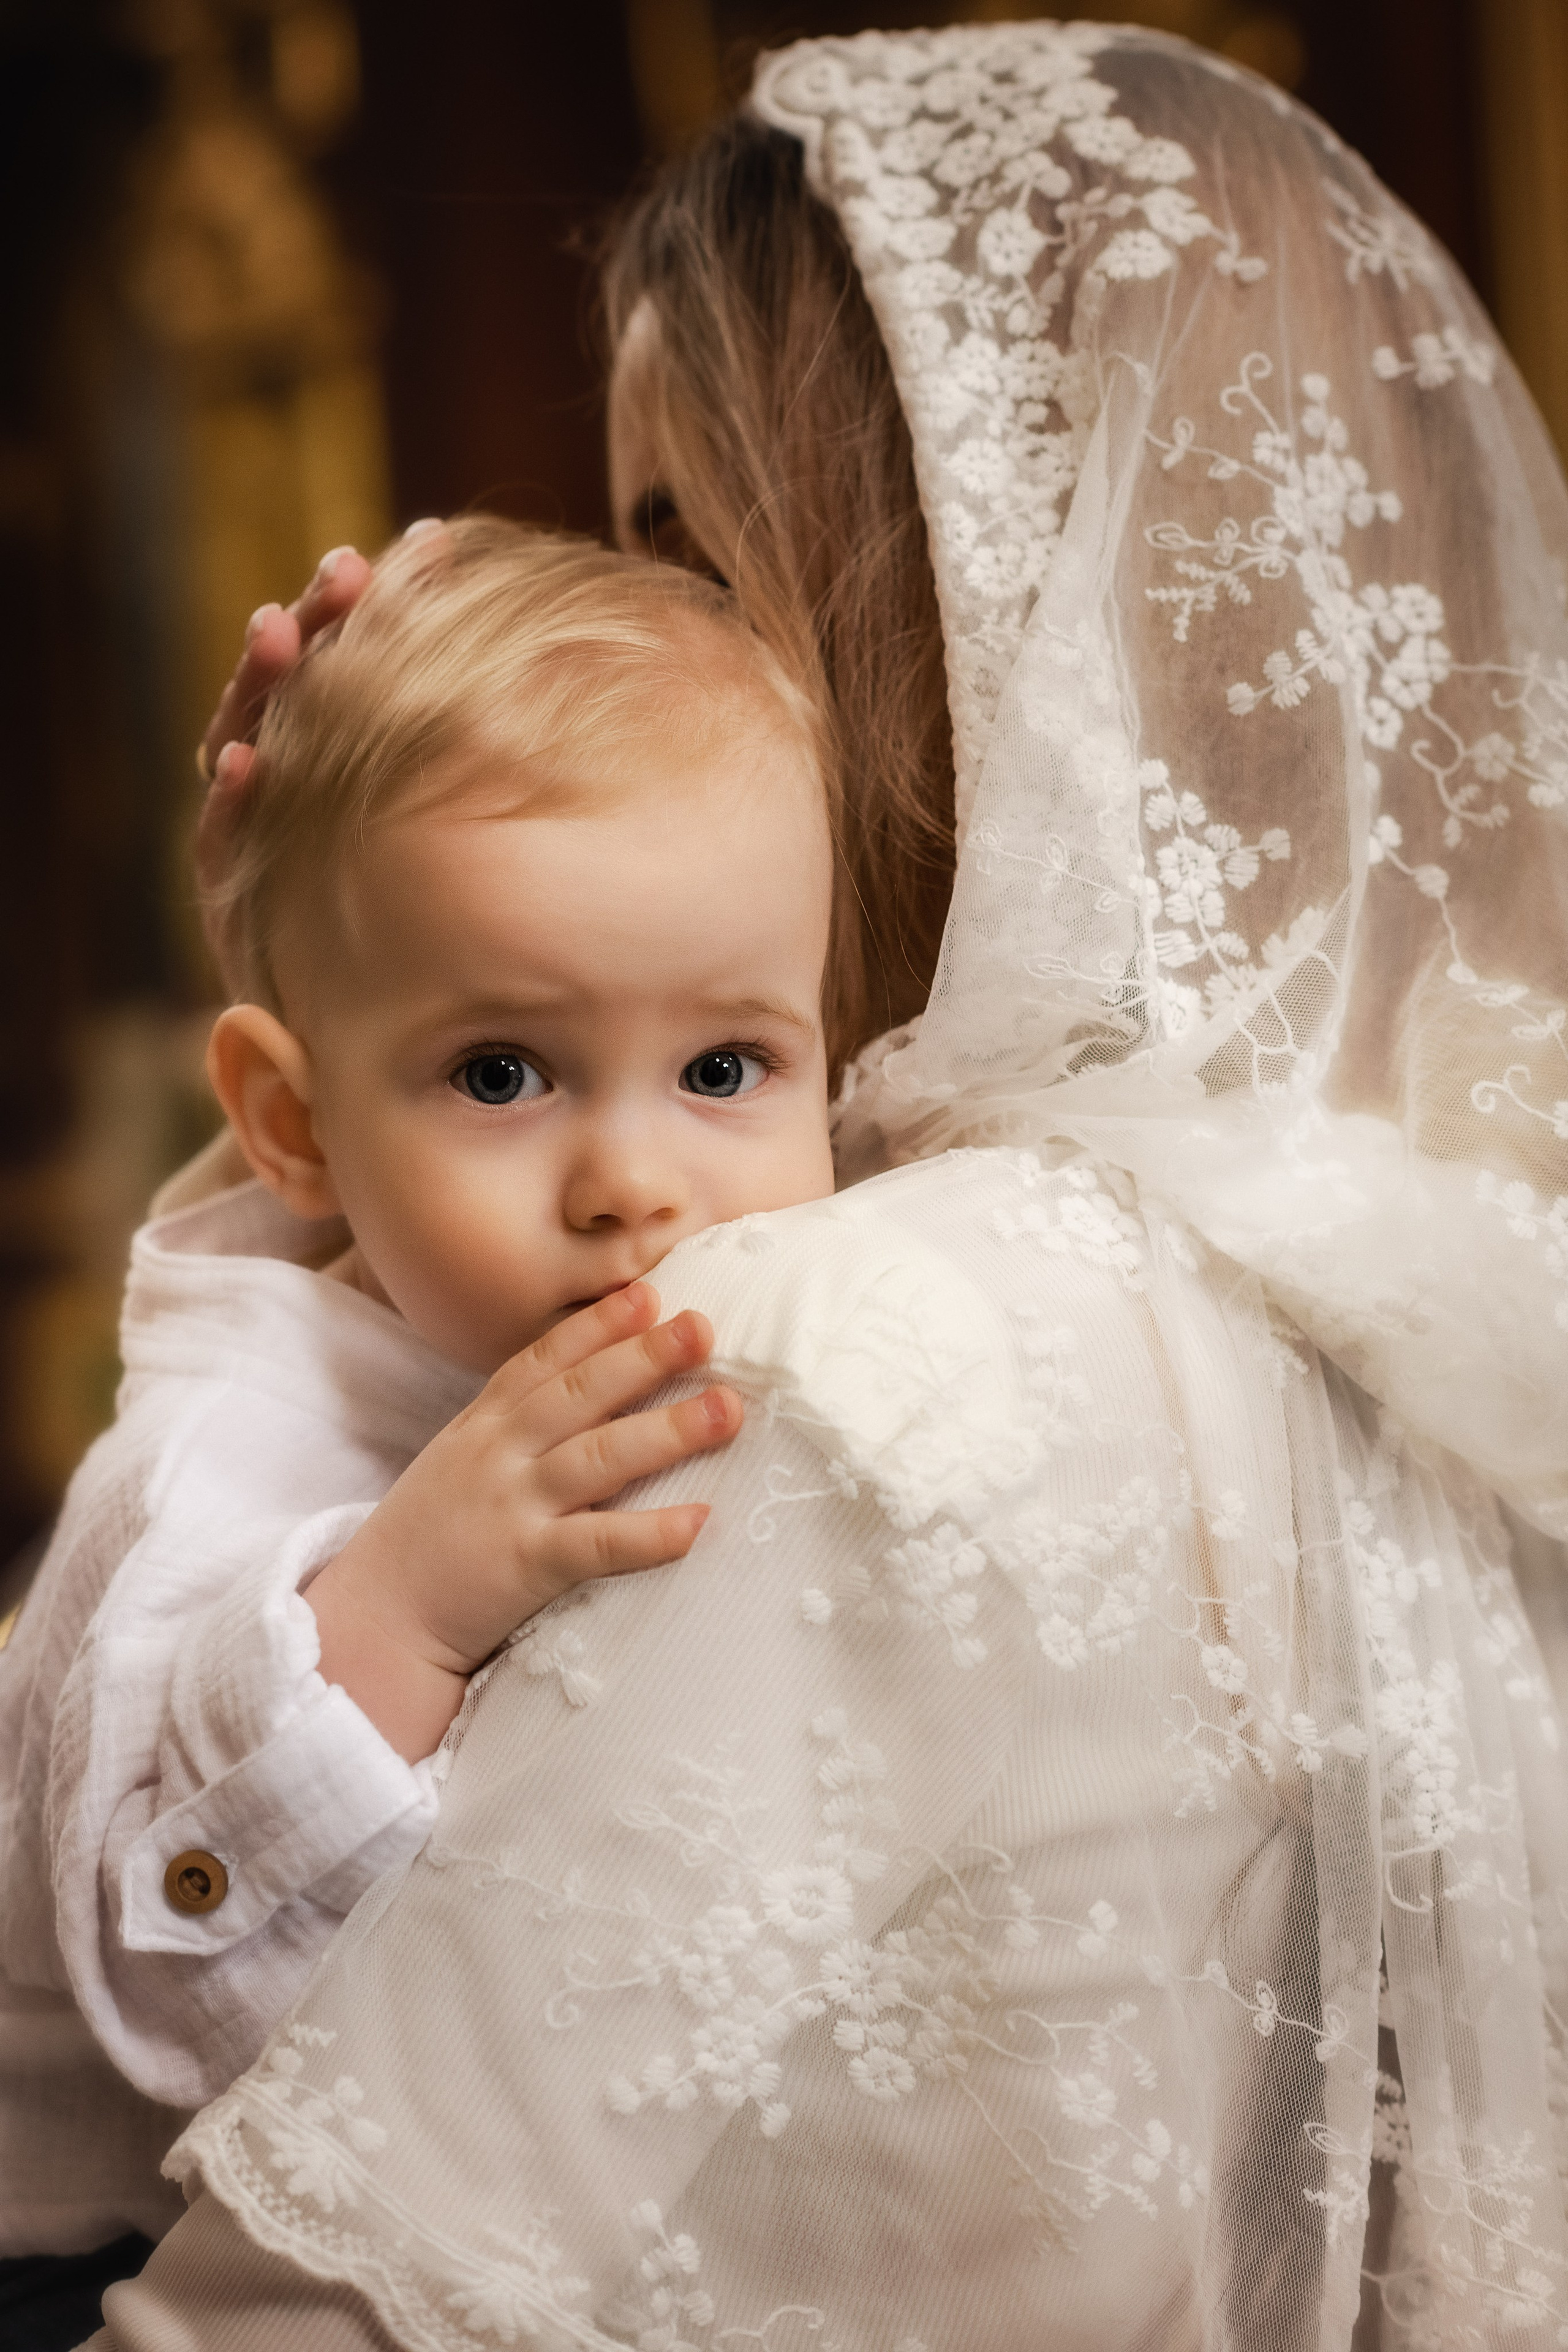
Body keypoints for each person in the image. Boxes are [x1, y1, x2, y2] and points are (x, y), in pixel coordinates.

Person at [88, 19, 1568, 2351]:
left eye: (687, 545)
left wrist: (389, 1034)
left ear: (968, 579)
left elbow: (258, 2305)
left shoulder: (842, 1333)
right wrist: (349, 953)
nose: (656, 660)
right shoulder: (1424, 1253)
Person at [0, 517, 845, 2332]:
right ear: (293, 1127)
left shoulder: (642, 1316)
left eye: (725, 1068)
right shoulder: (208, 1471)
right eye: (501, 1073)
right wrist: (395, 1608)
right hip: (77, 2255)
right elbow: (181, 1987)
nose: (633, 1183)